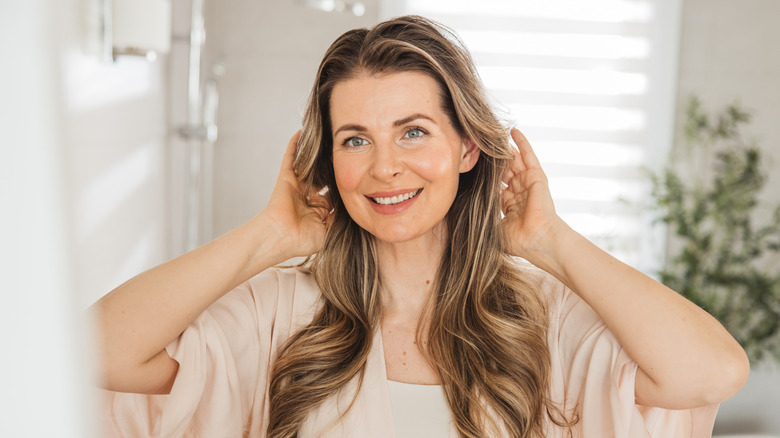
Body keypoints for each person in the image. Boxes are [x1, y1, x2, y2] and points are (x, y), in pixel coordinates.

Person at [92, 15, 749, 438]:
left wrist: (551, 242)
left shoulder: (540, 320)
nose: (384, 167)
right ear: (329, 161)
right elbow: (92, 350)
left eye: (413, 131)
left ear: (467, 148)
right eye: (354, 140)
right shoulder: (280, 313)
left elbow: (713, 371)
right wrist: (268, 235)